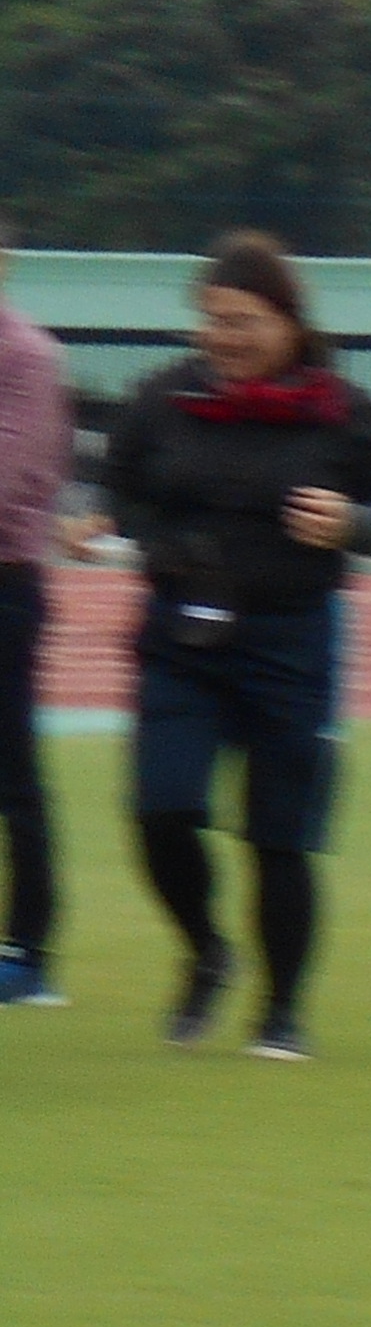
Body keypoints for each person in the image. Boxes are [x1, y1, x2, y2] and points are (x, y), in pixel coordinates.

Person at [94, 233, 371, 1059]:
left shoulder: (341, 413)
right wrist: (111, 519)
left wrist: (354, 523)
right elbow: (119, 481)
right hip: (180, 635)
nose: (224, 339)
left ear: (287, 322)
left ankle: (282, 1011)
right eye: (211, 321)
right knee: (159, 810)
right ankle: (206, 952)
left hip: (289, 637)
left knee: (279, 836)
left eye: (243, 322)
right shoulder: (162, 400)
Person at [0, 212, 66, 1008]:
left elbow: (11, 474)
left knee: (12, 771)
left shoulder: (26, 355)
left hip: (5, 582)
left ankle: (28, 950)